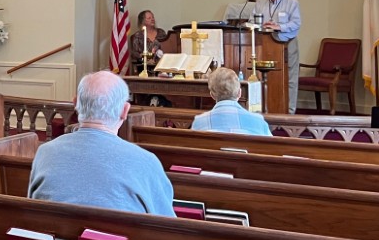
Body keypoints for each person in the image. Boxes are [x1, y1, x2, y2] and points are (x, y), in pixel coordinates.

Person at [27, 71, 175, 216]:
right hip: (116, 233)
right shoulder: (146, 162)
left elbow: (32, 212)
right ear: (125, 111)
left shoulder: (45, 153)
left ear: (76, 105)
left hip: (53, 233)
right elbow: (167, 226)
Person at [252, 0, 301, 114]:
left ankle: (289, 111)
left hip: (287, 44)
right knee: (267, 77)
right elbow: (252, 21)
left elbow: (296, 23)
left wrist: (278, 26)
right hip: (266, 45)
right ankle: (268, 108)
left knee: (290, 79)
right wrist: (262, 25)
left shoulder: (291, 3)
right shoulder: (260, 4)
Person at [191, 67, 272, 136]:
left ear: (212, 95)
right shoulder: (258, 121)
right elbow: (272, 147)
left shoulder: (199, 122)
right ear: (239, 93)